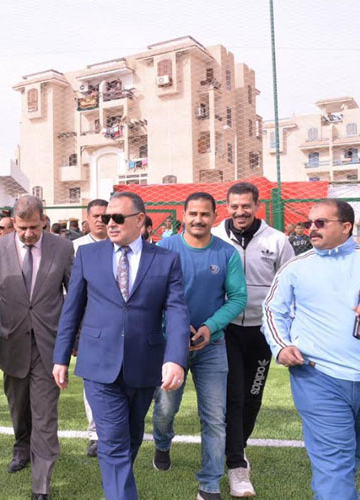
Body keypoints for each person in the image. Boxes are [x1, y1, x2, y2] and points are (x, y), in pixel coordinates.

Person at [53, 192, 189, 500]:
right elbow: (71, 309)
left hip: (145, 364)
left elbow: (177, 312)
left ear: (140, 220)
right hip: (98, 365)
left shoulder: (166, 259)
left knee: (130, 438)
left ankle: (116, 490)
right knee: (113, 442)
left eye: (117, 218)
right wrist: (60, 357)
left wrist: (176, 358)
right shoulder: (87, 255)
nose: (109, 223)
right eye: (105, 218)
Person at [263, 199, 360, 500]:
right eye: (309, 223)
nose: (311, 228)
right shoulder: (297, 267)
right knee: (334, 461)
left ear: (346, 227)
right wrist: (281, 347)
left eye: (320, 223)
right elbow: (272, 311)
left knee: (351, 456)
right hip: (318, 376)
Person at [151, 192, 247, 500]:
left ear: (215, 216)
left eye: (205, 214)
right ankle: (162, 443)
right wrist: (176, 329)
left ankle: (209, 484)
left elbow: (238, 298)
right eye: (193, 213)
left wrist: (210, 327)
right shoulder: (164, 249)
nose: (198, 219)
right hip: (170, 346)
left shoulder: (227, 253)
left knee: (215, 417)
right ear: (183, 214)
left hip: (212, 345)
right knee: (165, 409)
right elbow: (151, 297)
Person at [211, 181, 294, 497]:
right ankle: (236, 465)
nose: (240, 212)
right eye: (234, 206)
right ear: (227, 207)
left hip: (262, 331)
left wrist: (285, 330)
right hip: (227, 328)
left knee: (253, 395)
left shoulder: (277, 240)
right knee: (233, 395)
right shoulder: (215, 237)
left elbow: (288, 284)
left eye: (246, 205)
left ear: (257, 206)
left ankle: (237, 448)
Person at [0, 195, 73, 500]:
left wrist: (74, 340)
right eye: (22, 227)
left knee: (45, 414)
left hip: (49, 345)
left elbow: (75, 295)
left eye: (34, 228)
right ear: (13, 222)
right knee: (19, 407)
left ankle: (42, 484)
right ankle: (21, 446)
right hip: (10, 342)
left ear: (44, 221)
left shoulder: (62, 248)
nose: (28, 234)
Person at [71, 198, 109, 457]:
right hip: (87, 324)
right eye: (96, 216)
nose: (101, 220)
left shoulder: (122, 244)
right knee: (92, 382)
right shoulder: (75, 248)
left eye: (105, 216)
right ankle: (95, 434)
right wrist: (74, 333)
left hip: (116, 325)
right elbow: (70, 293)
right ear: (87, 218)